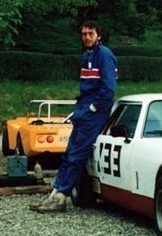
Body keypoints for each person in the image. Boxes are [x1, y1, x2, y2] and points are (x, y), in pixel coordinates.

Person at [29, 21, 118, 212]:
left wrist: (92, 109)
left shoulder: (104, 55)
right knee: (68, 153)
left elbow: (108, 90)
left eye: (91, 34)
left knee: (77, 154)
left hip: (94, 112)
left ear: (98, 36)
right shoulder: (87, 55)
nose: (87, 37)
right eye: (84, 34)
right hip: (83, 109)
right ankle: (55, 194)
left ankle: (61, 197)